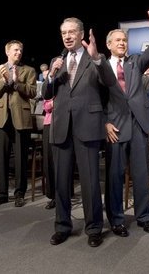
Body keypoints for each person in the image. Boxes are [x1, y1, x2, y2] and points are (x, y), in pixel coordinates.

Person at [42, 17, 115, 248]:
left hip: (88, 126)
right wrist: (51, 75)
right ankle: (62, 226)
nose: (67, 36)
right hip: (62, 126)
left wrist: (96, 58)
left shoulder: (95, 59)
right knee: (61, 182)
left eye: (72, 31)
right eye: (64, 32)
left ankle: (94, 228)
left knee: (90, 181)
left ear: (81, 34)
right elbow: (46, 94)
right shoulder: (58, 61)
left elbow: (110, 82)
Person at [104, 7, 149, 238]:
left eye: (124, 40)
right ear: (109, 44)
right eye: (118, 40)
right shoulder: (99, 67)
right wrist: (104, 123)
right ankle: (117, 220)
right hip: (114, 128)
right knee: (115, 177)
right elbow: (97, 100)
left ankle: (144, 217)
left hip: (138, 124)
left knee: (140, 174)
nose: (122, 43)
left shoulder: (135, 62)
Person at [0, 40, 37, 208]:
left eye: (21, 50)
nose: (19, 53)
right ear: (7, 51)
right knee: (1, 158)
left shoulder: (29, 70)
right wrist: (4, 81)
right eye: (15, 50)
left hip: (21, 119)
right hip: (1, 119)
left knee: (21, 159)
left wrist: (16, 83)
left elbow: (32, 92)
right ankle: (1, 194)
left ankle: (19, 193)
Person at [42, 97, 56, 209]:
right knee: (49, 160)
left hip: (65, 122)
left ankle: (64, 194)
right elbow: (46, 107)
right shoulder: (51, 85)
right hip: (49, 123)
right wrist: (54, 103)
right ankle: (53, 196)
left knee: (62, 163)